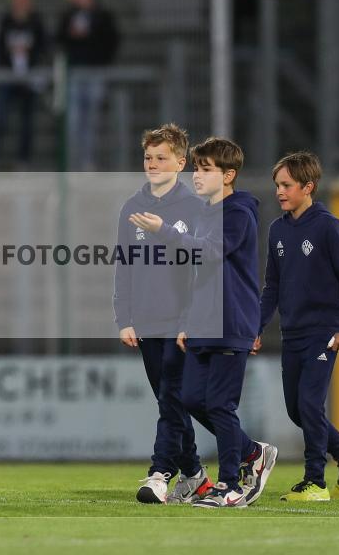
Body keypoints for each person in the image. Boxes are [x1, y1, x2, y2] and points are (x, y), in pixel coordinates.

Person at [130, 137, 277, 508]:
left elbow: (210, 251)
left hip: (231, 322)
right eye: (197, 167)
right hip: (201, 324)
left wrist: (166, 230)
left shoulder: (239, 212)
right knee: (191, 397)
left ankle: (229, 485)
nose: (198, 175)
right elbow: (194, 275)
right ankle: (252, 453)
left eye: (206, 169)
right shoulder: (204, 213)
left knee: (220, 405)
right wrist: (186, 321)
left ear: (229, 175)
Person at [252, 151, 339, 502]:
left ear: (308, 187)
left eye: (287, 185)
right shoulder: (277, 229)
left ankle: (314, 482)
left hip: (324, 333)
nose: (279, 191)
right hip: (293, 333)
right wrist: (256, 326)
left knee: (309, 404)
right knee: (297, 410)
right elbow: (271, 288)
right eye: (277, 185)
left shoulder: (328, 226)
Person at [114, 123, 212, 504]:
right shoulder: (131, 208)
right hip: (146, 321)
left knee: (172, 396)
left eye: (161, 158)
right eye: (147, 158)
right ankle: (195, 473)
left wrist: (191, 320)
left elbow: (202, 272)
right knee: (168, 400)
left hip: (181, 322)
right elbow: (124, 268)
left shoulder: (195, 207)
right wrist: (124, 317)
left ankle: (160, 473)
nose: (152, 164)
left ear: (181, 162)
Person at [56, 0, 120, 171]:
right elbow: (60, 40)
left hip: (95, 74)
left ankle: (88, 162)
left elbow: (111, 41)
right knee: (74, 121)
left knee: (92, 121)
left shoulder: (101, 15)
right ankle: (74, 165)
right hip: (75, 75)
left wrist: (99, 59)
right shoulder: (68, 16)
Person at [0, 0, 47, 168]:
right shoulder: (5, 19)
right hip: (8, 76)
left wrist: (31, 60)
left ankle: (23, 160)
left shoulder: (36, 21)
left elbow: (43, 47)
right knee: (0, 117)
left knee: (27, 120)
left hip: (28, 78)